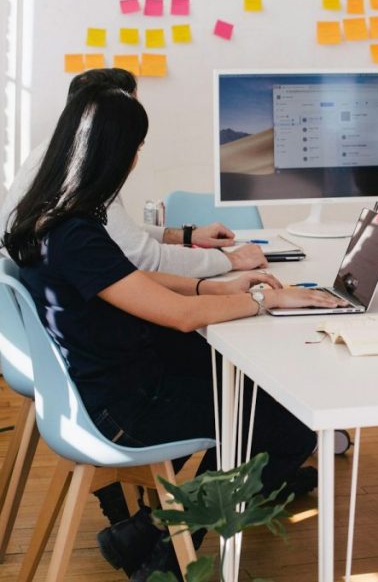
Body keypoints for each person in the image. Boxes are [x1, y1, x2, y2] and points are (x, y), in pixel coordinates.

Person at [2, 84, 346, 580]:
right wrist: (263, 298)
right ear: (116, 153)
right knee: (285, 424)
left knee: (249, 392)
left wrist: (211, 284)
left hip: (105, 381)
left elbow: (130, 281)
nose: (138, 159)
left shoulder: (51, 217)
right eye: (137, 148)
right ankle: (165, 555)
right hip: (120, 408)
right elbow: (177, 315)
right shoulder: (75, 232)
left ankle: (145, 532)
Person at [0, 68, 268, 277]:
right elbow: (146, 259)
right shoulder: (80, 174)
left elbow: (114, 233)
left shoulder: (54, 157)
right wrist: (231, 260)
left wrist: (186, 236)